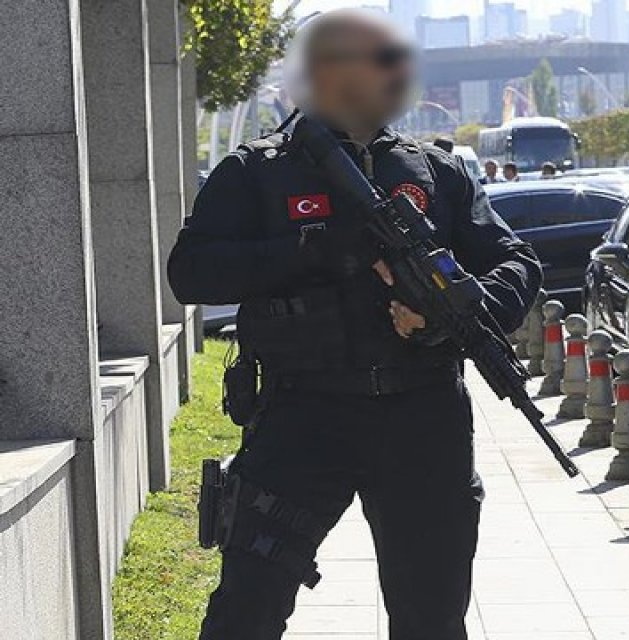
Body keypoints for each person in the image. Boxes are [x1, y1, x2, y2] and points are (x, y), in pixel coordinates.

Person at [167, 9, 541, 640]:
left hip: (423, 418)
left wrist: (455, 312)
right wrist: (316, 251)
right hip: (301, 417)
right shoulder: (257, 171)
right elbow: (191, 273)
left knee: (431, 618)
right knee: (246, 613)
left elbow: (514, 260)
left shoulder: (435, 171)